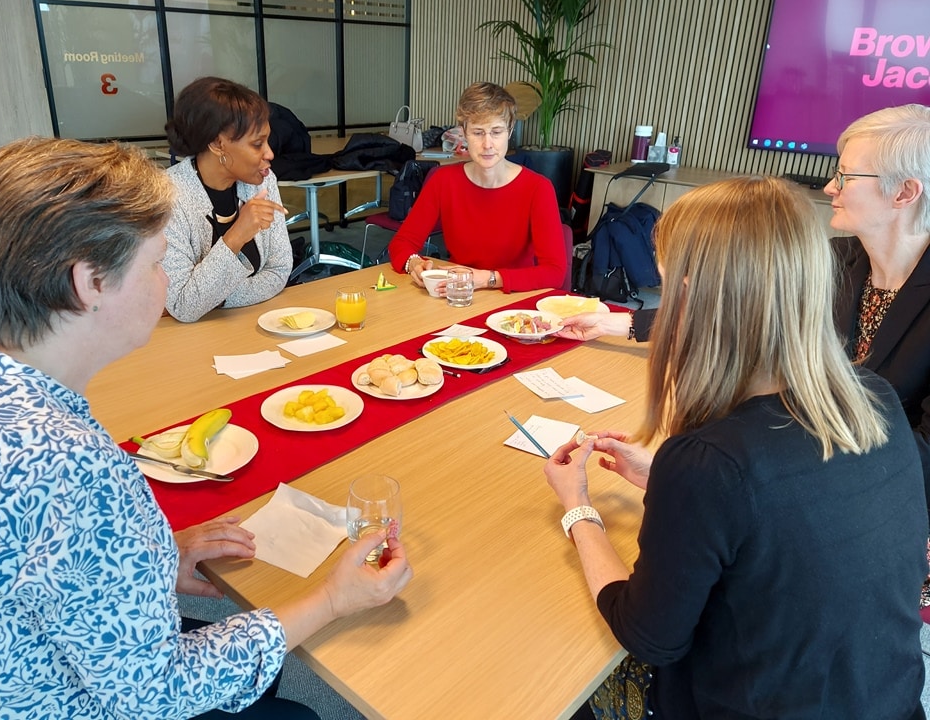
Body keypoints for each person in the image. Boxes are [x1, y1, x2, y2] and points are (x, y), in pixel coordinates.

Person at [0, 137, 412, 718]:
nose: (165, 281)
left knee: (262, 676)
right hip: (41, 700)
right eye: (155, 262)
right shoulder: (70, 465)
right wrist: (332, 598)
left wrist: (145, 555)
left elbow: (16, 554)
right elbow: (156, 694)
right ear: (90, 282)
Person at [544, 176, 927, 718]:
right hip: (892, 703)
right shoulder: (877, 400)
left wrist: (577, 508)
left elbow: (648, 637)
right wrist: (669, 481)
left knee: (560, 686)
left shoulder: (709, 464)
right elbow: (788, 511)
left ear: (695, 298)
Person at [557, 104, 930, 511]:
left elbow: (921, 459)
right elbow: (740, 311)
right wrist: (620, 323)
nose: (829, 187)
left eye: (846, 176)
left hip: (876, 507)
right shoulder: (837, 258)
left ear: (905, 192)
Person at [387, 82, 567, 293]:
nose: (488, 144)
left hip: (515, 304)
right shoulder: (443, 181)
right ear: (463, 133)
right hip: (457, 296)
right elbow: (402, 243)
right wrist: (414, 263)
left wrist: (489, 279)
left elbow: (555, 272)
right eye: (478, 133)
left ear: (509, 132)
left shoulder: (538, 188)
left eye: (496, 132)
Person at [163, 76, 293, 322]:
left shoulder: (263, 181)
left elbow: (279, 271)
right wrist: (238, 234)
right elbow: (183, 305)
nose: (270, 153)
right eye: (257, 144)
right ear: (217, 143)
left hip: (253, 324)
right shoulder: (168, 196)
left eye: (267, 140)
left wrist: (214, 299)